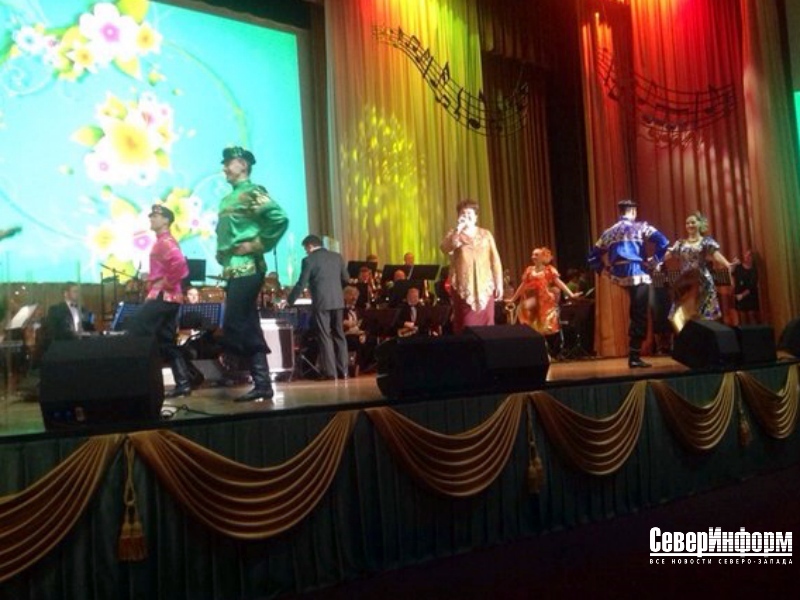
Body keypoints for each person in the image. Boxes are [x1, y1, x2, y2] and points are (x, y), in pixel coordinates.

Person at [216, 146, 289, 402]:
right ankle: (262, 383)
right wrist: (222, 252)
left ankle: (231, 359)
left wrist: (257, 244)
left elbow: (279, 218)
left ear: (243, 165)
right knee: (247, 323)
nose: (224, 167)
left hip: (248, 267)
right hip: (232, 269)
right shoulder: (227, 199)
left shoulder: (253, 192)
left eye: (228, 163)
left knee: (236, 322)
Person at [588, 199, 669, 368]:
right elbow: (664, 242)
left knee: (636, 310)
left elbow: (592, 256)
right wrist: (654, 261)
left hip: (619, 274)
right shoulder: (640, 227)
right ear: (633, 211)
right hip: (637, 272)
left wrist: (603, 270)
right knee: (639, 312)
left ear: (620, 212)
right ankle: (634, 356)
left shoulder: (609, 232)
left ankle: (634, 355)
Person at [125, 204, 192, 397]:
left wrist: (165, 282)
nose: (152, 219)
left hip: (163, 296)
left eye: (156, 216)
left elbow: (180, 264)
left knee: (136, 328)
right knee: (166, 341)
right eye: (151, 216)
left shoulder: (165, 242)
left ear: (166, 220)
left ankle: (138, 379)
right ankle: (183, 383)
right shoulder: (164, 241)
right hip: (171, 298)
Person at [287, 235, 350, 380]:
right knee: (339, 335)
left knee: (325, 336)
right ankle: (344, 371)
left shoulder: (309, 260)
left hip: (321, 302)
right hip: (338, 302)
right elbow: (346, 278)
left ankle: (330, 373)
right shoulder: (337, 257)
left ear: (310, 246)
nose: (306, 252)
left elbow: (301, 283)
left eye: (306, 249)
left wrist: (290, 300)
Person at [440, 199, 504, 333]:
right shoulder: (454, 234)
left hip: (485, 287)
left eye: (470, 213)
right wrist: (458, 230)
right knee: (466, 325)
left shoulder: (486, 234)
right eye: (463, 213)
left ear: (476, 217)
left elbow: (495, 260)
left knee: (488, 327)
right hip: (463, 288)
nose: (467, 216)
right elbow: (445, 248)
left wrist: (499, 283)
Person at [664, 211, 734, 332]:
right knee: (682, 314)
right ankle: (688, 339)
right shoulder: (681, 243)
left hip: (702, 282)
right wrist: (654, 261)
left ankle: (706, 338)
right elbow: (668, 255)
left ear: (699, 224)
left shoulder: (706, 241)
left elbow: (715, 254)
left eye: (693, 222)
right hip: (686, 282)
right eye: (687, 223)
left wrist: (727, 264)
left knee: (705, 315)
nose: (690, 225)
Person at [510, 247, 580, 358]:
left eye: (536, 255)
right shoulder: (529, 271)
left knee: (546, 326)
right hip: (532, 301)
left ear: (543, 257)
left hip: (545, 302)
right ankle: (535, 352)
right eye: (533, 255)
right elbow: (522, 286)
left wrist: (571, 294)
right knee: (531, 326)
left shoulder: (549, 270)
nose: (533, 257)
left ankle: (547, 352)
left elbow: (559, 283)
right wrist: (513, 299)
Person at [733, 249, 760, 324]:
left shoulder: (754, 271)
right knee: (742, 318)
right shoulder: (738, 267)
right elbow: (731, 274)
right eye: (746, 255)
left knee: (752, 316)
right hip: (739, 294)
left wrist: (742, 295)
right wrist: (733, 265)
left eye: (750, 255)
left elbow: (752, 286)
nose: (747, 257)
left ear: (753, 258)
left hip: (750, 296)